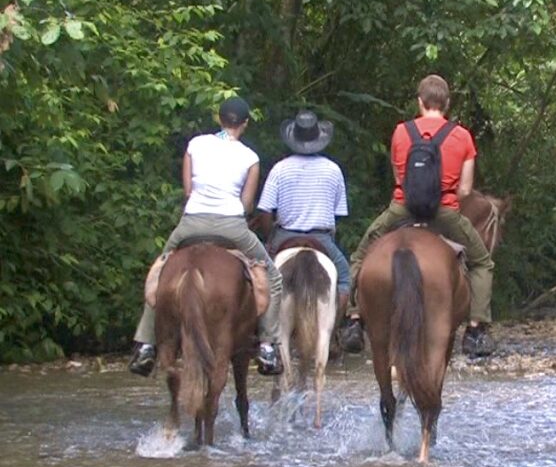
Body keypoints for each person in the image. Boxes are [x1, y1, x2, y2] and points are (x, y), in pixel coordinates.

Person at [128, 97, 283, 377]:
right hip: (232, 226)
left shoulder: (196, 145)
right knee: (272, 276)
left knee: (161, 270)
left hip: (191, 223)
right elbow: (247, 204)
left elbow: (188, 191)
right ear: (245, 124)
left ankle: (146, 344)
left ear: (219, 119)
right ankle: (268, 346)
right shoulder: (250, 157)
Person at [342, 74, 495, 358]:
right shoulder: (462, 136)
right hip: (445, 212)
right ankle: (476, 329)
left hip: (402, 207)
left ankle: (353, 319)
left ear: (419, 101)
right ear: (447, 104)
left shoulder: (401, 132)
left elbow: (399, 176)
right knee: (482, 261)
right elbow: (464, 189)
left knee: (361, 255)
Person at [256, 110, 351, 325]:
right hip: (322, 238)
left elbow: (265, 211)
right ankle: (335, 329)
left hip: (284, 236)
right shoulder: (333, 169)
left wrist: (270, 237)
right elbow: (339, 214)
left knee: (259, 276)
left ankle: (264, 335)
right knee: (345, 277)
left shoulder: (279, 169)